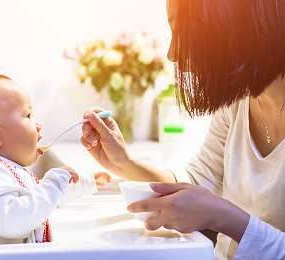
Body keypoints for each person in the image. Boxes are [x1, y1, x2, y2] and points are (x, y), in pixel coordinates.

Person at [80, 0, 285, 259]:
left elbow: (210, 204)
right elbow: (200, 182)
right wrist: (123, 162)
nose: (172, 53)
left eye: (183, 34)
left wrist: (222, 216)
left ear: (235, 29)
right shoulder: (239, 100)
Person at [0, 73, 110, 246]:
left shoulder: (1, 172)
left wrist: (81, 183)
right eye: (28, 116)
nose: (38, 124)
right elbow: (16, 219)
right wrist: (54, 183)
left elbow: (35, 199)